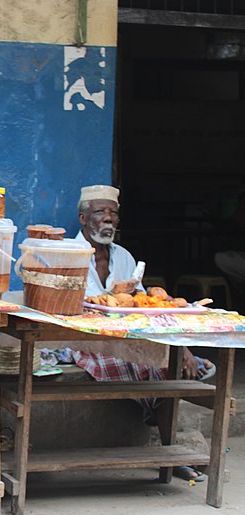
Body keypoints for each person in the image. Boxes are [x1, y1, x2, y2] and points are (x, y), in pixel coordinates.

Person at [70, 184, 213, 480]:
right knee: (153, 366)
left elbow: (147, 308)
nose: (108, 219)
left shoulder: (124, 257)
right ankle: (164, 441)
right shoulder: (68, 255)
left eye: (113, 213)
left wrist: (180, 348)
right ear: (83, 219)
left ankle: (168, 453)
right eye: (100, 212)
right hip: (84, 343)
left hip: (126, 340)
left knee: (167, 365)